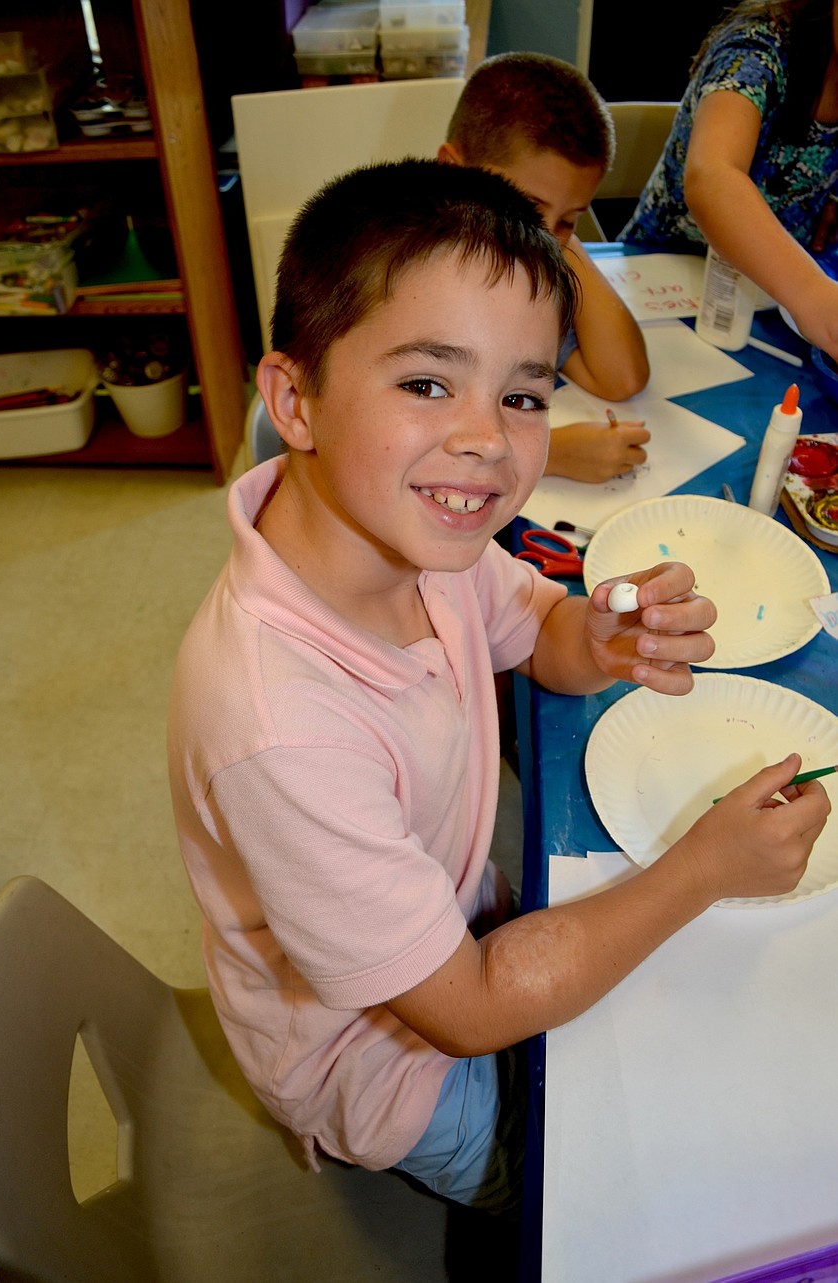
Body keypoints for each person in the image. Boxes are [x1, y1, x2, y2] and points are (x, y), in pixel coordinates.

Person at [167, 159, 829, 1242]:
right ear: (295, 400)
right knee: (624, 1173)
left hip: (450, 905)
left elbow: (537, 629)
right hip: (384, 1063)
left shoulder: (417, 527)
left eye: (522, 395)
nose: (487, 439)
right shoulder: (277, 726)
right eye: (428, 382)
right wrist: (703, 868)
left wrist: (600, 633)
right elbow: (469, 1007)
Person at [440, 51, 651, 483]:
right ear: (451, 171)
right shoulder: (398, 278)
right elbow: (373, 445)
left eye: (569, 219)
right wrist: (548, 456)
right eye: (528, 208)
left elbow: (622, 377)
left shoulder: (524, 277)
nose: (543, 238)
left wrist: (562, 237)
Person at [620, 0, 838, 362]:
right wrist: (812, 294)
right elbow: (712, 177)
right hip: (669, 289)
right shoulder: (759, 49)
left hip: (771, 309)